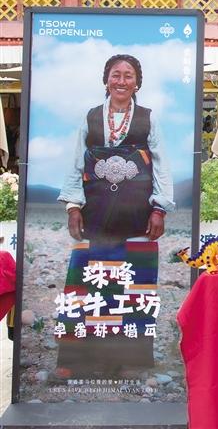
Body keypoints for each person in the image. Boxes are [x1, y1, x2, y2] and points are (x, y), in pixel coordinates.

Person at [56, 54, 175, 378]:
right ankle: (78, 359)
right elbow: (75, 163)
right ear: (106, 79)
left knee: (133, 283)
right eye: (115, 74)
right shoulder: (91, 117)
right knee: (86, 281)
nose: (121, 81)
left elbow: (162, 166)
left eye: (128, 75)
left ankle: (129, 362)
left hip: (137, 215)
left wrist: (159, 209)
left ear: (137, 82)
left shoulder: (148, 119)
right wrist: (73, 207)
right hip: (95, 213)